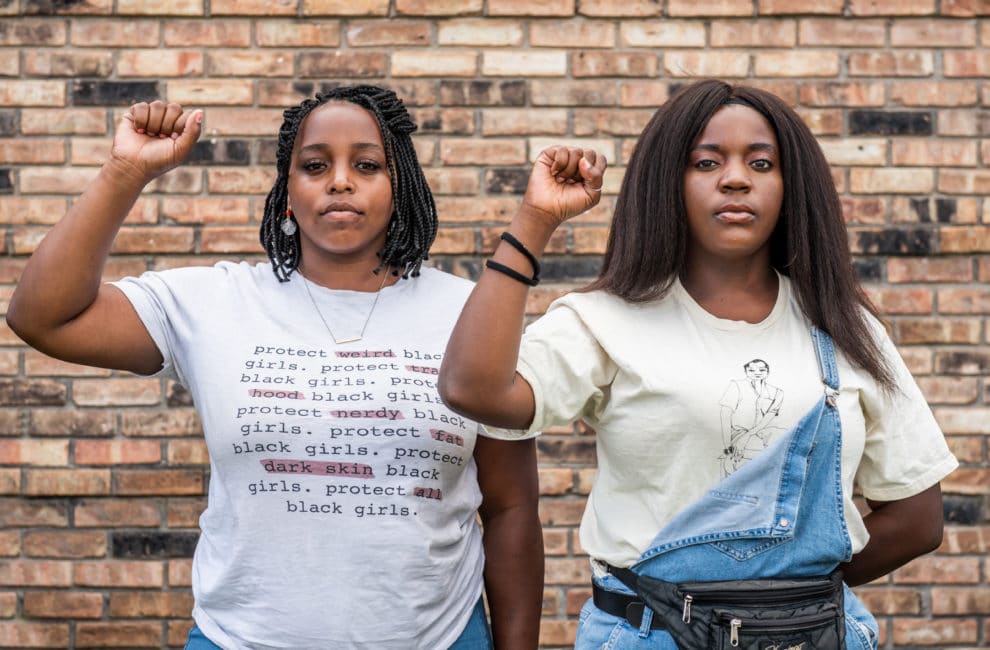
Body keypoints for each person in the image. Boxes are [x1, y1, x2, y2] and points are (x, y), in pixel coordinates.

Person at [8, 85, 543, 650]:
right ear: (287, 190)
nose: (340, 180)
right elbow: (43, 318)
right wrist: (124, 172)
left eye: (367, 164)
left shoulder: (470, 314)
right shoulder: (214, 302)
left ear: (400, 185)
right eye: (315, 165)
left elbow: (511, 509)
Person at [438, 79, 958, 648]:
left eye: (761, 163)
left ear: (791, 186)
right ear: (669, 182)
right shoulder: (605, 321)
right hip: (651, 634)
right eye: (707, 161)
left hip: (813, 633)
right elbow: (473, 388)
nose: (736, 178)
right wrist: (535, 219)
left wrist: (776, 599)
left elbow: (917, 519)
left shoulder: (845, 328)